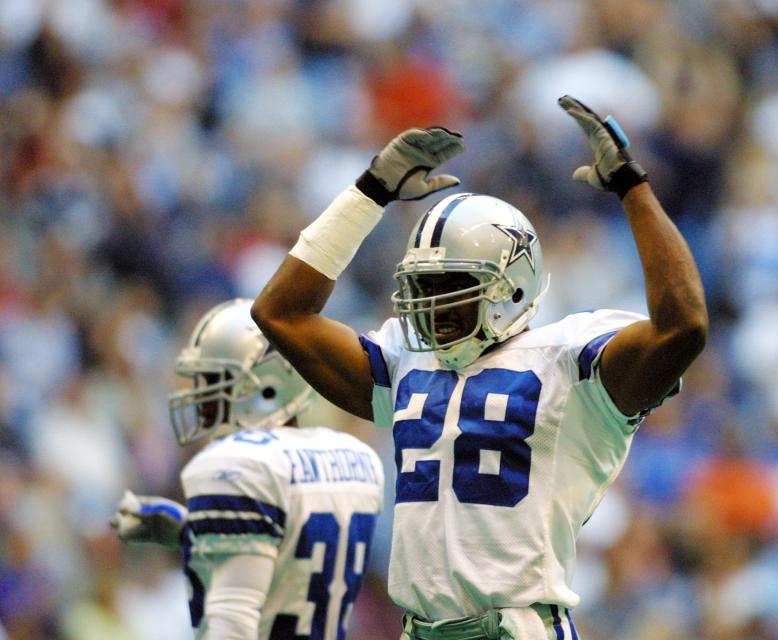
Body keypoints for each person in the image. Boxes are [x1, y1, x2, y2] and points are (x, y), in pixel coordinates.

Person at [251, 95, 708, 639]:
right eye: (423, 287)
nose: (432, 306)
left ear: (513, 286)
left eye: (451, 288)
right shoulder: (407, 361)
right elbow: (279, 312)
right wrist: (370, 193)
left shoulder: (570, 365)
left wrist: (633, 189)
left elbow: (683, 325)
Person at [111, 299, 385, 640]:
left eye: (215, 383)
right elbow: (290, 551)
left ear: (268, 386)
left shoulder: (234, 466)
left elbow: (232, 626)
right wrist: (193, 532)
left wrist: (217, 519)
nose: (200, 399)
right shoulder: (356, 456)